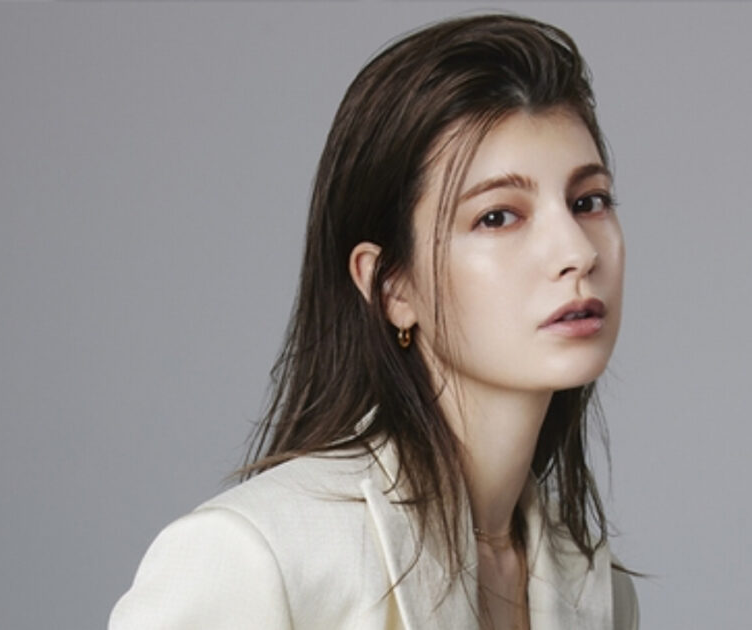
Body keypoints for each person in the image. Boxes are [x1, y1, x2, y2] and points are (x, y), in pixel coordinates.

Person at [110, 13, 638, 630]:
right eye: (497, 216)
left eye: (588, 202)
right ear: (391, 286)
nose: (576, 251)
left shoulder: (598, 590)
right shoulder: (257, 558)